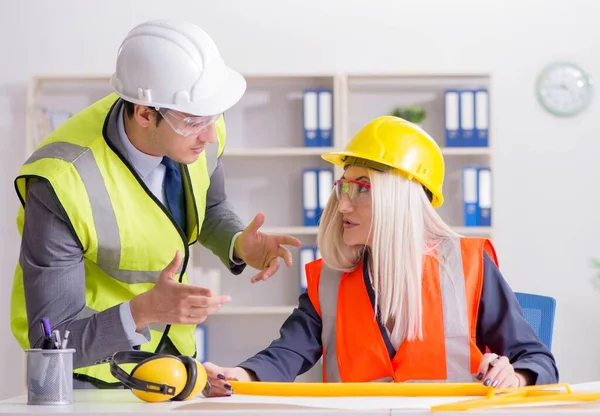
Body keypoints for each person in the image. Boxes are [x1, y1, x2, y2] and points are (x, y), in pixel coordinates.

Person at [9, 19, 301, 389]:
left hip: (174, 361)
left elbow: (208, 208)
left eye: (213, 117)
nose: (211, 135)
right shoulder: (62, 182)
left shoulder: (200, 123)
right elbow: (53, 339)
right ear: (145, 113)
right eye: (196, 121)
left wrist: (238, 241)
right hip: (90, 377)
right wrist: (145, 310)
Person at [202, 116, 559, 395]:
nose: (342, 205)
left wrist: (517, 375)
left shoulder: (468, 265)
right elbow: (287, 354)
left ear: (399, 200)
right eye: (343, 187)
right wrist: (242, 375)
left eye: (362, 190)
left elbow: (538, 360)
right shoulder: (328, 280)